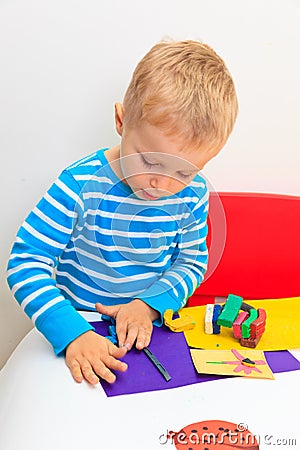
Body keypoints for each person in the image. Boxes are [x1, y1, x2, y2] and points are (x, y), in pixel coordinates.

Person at [6, 40, 238, 385]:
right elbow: (26, 262)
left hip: (149, 333)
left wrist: (148, 305)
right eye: (150, 161)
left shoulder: (193, 193)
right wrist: (72, 333)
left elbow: (191, 262)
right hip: (77, 333)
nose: (162, 184)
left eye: (184, 172)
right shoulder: (79, 184)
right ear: (121, 119)